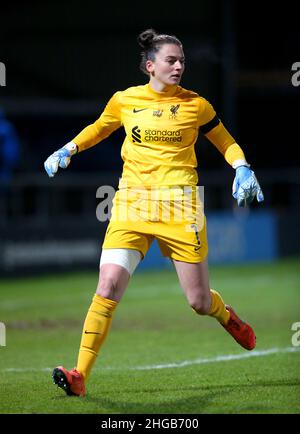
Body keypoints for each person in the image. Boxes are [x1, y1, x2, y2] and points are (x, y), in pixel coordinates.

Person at [44, 29, 264, 397]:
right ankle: (80, 375)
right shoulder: (125, 100)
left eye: (182, 61)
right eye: (171, 61)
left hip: (181, 207)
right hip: (132, 204)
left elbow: (225, 141)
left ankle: (225, 315)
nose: (179, 66)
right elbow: (100, 128)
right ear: (151, 66)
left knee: (197, 301)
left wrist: (241, 167)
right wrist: (69, 148)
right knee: (108, 285)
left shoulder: (197, 105)